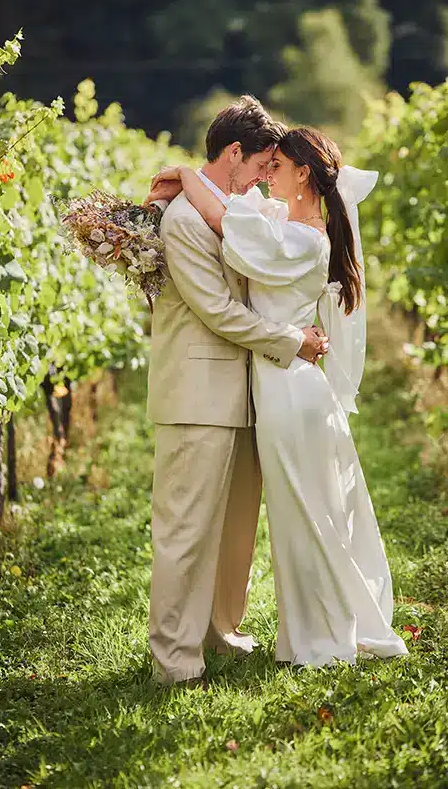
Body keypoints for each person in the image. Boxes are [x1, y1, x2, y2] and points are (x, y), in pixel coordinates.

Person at [149, 126, 408, 667]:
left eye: (277, 166)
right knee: (302, 517)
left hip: (289, 387)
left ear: (303, 173)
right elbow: (235, 220)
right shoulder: (286, 222)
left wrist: (190, 176)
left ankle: (323, 638)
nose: (268, 176)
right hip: (279, 381)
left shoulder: (304, 236)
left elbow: (227, 224)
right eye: (265, 164)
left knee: (307, 517)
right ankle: (311, 633)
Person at [146, 98, 329, 685]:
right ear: (234, 155)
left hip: (245, 395)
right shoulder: (183, 221)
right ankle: (174, 661)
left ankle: (220, 632)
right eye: (263, 165)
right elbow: (221, 313)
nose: (266, 179)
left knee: (234, 528)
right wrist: (291, 341)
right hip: (197, 396)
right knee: (186, 530)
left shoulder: (231, 212)